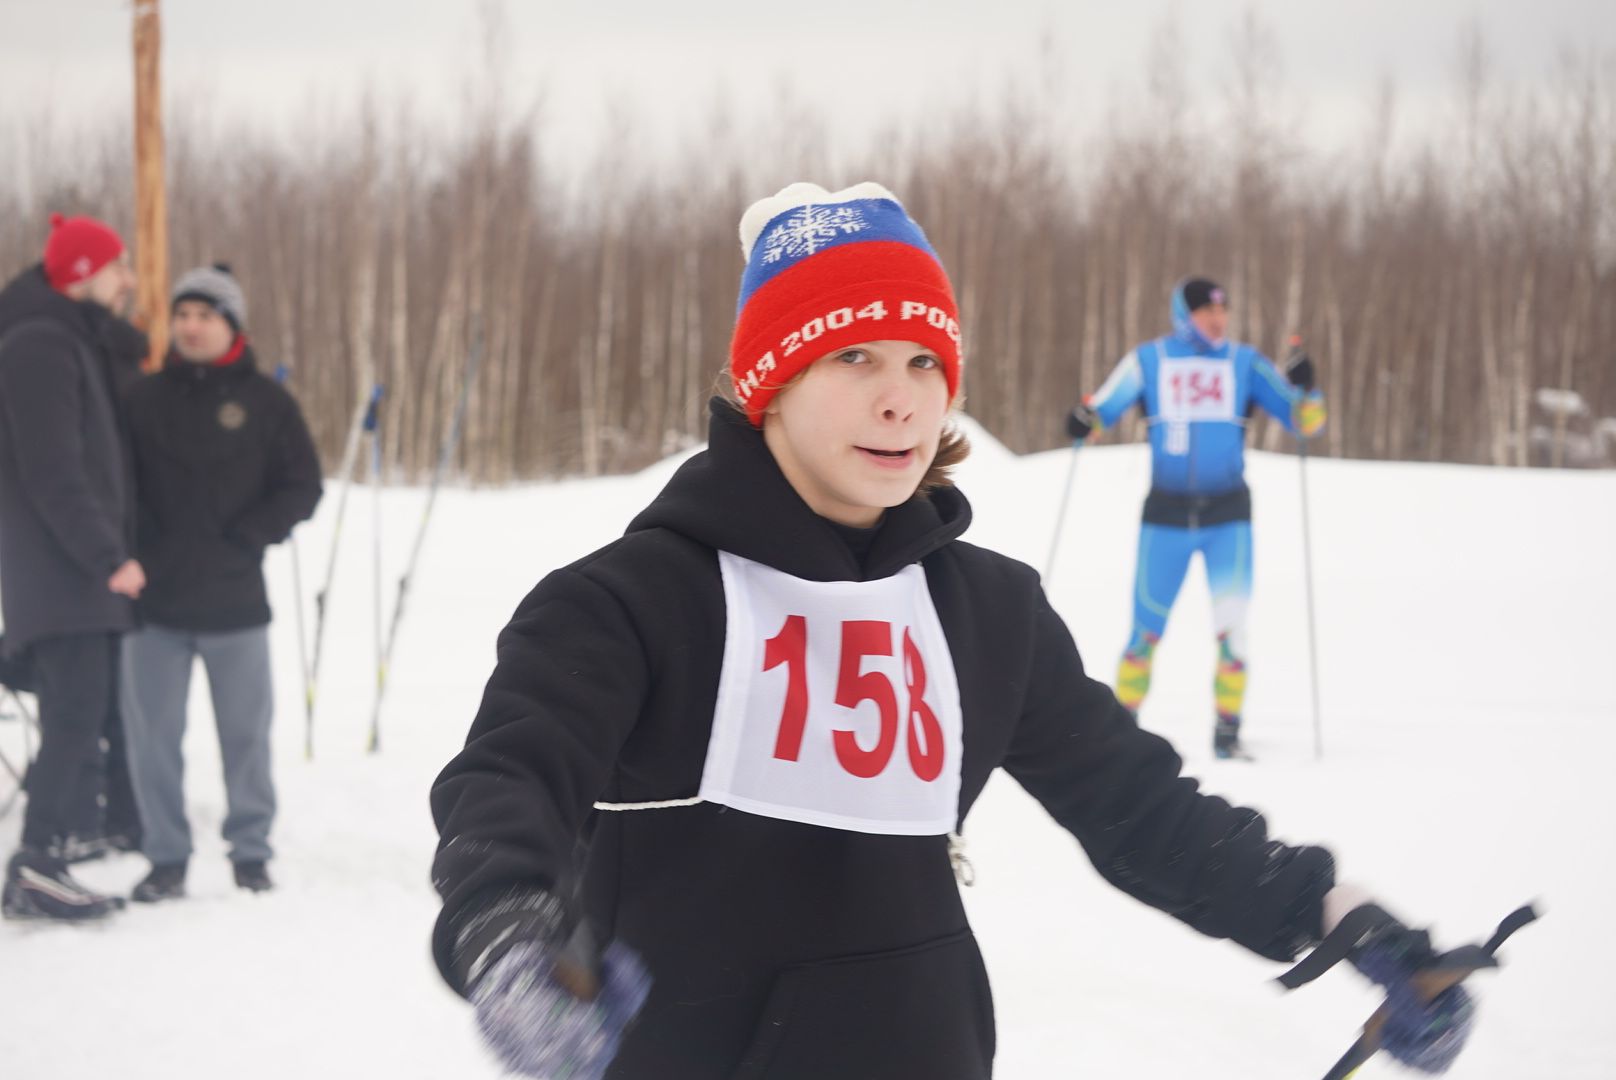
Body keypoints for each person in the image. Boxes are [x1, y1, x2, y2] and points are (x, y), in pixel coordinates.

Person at [429, 185, 1472, 1079]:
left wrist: (1331, 914)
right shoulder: (628, 601)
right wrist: (508, 937)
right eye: (853, 357)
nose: (899, 401)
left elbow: (1143, 814)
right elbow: (508, 783)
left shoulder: (985, 611)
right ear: (769, 383)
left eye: (924, 363)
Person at [119, 263, 322, 902]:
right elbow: (114, 485)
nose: (191, 326)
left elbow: (302, 485)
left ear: (230, 324)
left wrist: (251, 533)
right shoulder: (141, 398)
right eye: (182, 315)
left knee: (245, 739)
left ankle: (251, 852)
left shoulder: (266, 402)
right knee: (152, 741)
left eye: (205, 315)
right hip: (155, 607)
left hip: (236, 605)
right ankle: (165, 857)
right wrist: (137, 544)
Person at [1065, 278, 1325, 760]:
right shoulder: (1150, 360)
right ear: (1185, 314)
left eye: (1222, 312)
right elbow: (1098, 413)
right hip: (1165, 517)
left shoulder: (1243, 363)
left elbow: (1305, 422)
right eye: (1207, 311)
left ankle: (1228, 735)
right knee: (1144, 633)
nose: (1217, 320)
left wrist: (1308, 386)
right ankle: (1121, 735)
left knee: (1232, 633)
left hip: (1228, 517)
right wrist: (1083, 420)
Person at [0, 213, 144, 921]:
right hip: (62, 574)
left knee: (77, 713)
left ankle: (47, 856)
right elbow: (52, 469)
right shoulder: (39, 344)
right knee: (74, 714)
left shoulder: (62, 338)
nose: (129, 282)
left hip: (65, 573)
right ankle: (37, 863)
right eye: (120, 267)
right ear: (85, 273)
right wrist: (106, 555)